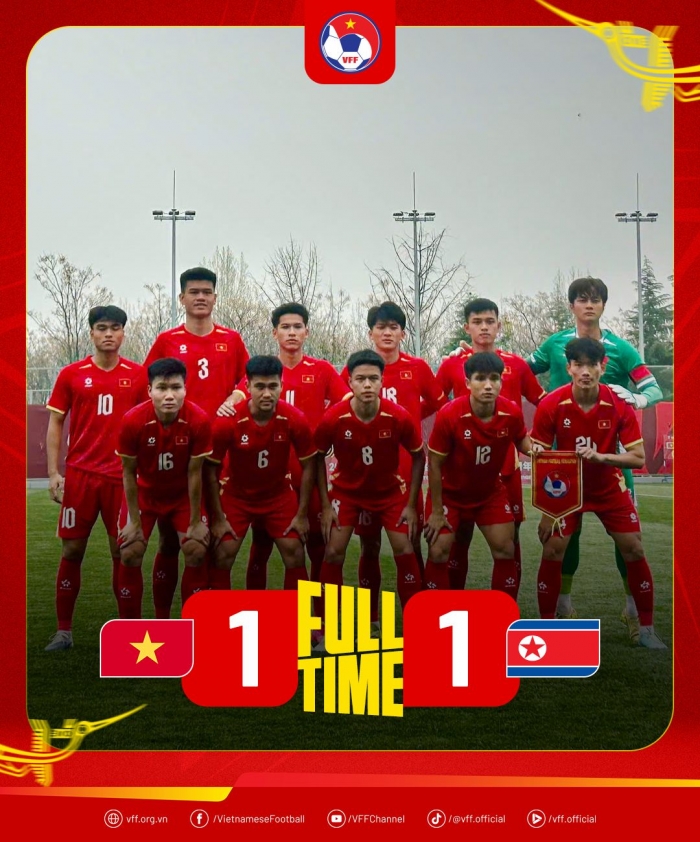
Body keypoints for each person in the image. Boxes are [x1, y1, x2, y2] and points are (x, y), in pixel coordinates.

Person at [527, 277, 663, 640]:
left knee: (631, 544)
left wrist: (639, 399)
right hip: (563, 477)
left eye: (596, 299)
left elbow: (652, 389)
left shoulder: (621, 352)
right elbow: (518, 371)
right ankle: (558, 613)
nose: (589, 305)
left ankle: (636, 615)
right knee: (558, 545)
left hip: (610, 471)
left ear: (602, 365)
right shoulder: (554, 350)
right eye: (582, 299)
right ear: (569, 365)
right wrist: (480, 359)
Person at [220, 303, 350, 593]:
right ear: (274, 332)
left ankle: (316, 616)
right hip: (268, 473)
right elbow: (238, 396)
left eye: (297, 327)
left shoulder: (322, 369)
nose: (292, 333)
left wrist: (329, 435)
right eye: (285, 327)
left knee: (317, 544)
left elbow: (346, 403)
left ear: (307, 332)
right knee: (261, 545)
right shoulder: (264, 370)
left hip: (308, 470)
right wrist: (227, 405)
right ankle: (259, 610)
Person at [143, 266, 249, 616]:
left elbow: (249, 380)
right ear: (182, 298)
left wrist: (235, 396)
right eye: (194, 292)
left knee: (209, 541)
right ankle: (163, 622)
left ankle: (207, 620)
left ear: (215, 297)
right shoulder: (167, 341)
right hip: (175, 455)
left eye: (206, 292)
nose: (200, 297)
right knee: (169, 541)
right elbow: (148, 386)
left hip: (219, 456)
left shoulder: (231, 340)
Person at [44, 305, 148, 652]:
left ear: (123, 333)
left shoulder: (138, 376)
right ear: (91, 333)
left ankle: (130, 633)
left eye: (115, 328)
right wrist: (54, 472)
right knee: (72, 549)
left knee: (124, 551)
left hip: (122, 479)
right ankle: (64, 632)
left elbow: (147, 424)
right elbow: (56, 423)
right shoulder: (71, 374)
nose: (108, 334)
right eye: (102, 328)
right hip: (81, 477)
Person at [339, 302, 446, 631]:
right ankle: (371, 618)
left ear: (403, 333)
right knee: (369, 545)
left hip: (405, 472)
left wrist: (408, 420)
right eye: (381, 327)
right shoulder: (357, 367)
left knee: (410, 544)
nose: (387, 333)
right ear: (370, 333)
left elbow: (438, 403)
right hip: (366, 473)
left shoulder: (418, 368)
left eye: (393, 327)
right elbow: (344, 406)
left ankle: (417, 617)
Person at [436, 298, 545, 594]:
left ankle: (506, 608)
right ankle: (452, 607)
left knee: (509, 540)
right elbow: (433, 402)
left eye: (489, 321)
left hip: (505, 469)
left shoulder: (517, 365)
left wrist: (539, 440)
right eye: (477, 322)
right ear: (466, 327)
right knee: (458, 539)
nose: (484, 327)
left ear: (498, 325)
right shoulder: (451, 364)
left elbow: (543, 402)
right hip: (461, 472)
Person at [315, 349, 426, 640]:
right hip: (347, 493)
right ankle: (325, 628)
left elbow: (419, 455)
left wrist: (411, 505)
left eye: (373, 379)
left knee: (404, 548)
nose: (367, 385)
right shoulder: (334, 417)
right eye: (361, 379)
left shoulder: (397, 416)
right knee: (334, 550)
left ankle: (417, 626)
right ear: (350, 382)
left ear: (382, 381)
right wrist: (325, 505)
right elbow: (316, 457)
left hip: (389, 494)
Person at [425, 351, 533, 597]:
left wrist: (538, 451)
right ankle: (437, 614)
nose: (488, 385)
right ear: (467, 383)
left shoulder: (511, 412)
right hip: (450, 495)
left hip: (489, 494)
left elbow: (523, 442)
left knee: (505, 549)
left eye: (494, 378)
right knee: (438, 551)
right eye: (480, 378)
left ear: (501, 382)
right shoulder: (450, 414)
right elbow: (435, 464)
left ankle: (502, 613)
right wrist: (437, 511)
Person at [204, 355, 316, 589]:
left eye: (273, 386)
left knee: (295, 552)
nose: (267, 393)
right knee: (222, 553)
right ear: (247, 386)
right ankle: (219, 612)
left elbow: (309, 466)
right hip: (237, 497)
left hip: (278, 497)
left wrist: (302, 515)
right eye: (260, 386)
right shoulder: (228, 421)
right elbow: (210, 472)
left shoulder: (294, 418)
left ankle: (301, 612)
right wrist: (218, 518)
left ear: (282, 386)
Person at [116, 358, 211, 619]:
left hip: (181, 497)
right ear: (150, 391)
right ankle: (130, 630)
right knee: (130, 551)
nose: (169, 395)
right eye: (161, 388)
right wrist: (134, 522)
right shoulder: (132, 421)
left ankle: (188, 625)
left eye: (176, 388)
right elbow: (128, 472)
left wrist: (195, 522)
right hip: (145, 494)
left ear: (185, 389)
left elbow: (195, 473)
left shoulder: (198, 420)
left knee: (196, 549)